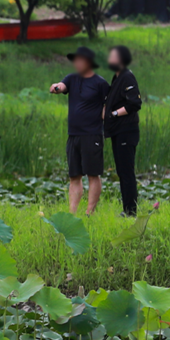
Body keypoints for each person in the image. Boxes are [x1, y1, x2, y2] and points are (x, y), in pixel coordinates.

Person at [50, 46, 110, 216]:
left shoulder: (101, 83)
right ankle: (72, 213)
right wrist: (56, 87)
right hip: (73, 135)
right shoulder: (71, 79)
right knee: (74, 176)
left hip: (92, 134)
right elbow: (61, 86)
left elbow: (108, 107)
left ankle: (89, 213)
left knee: (93, 174)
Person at [104, 45, 143, 216]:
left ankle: (130, 211)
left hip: (127, 131)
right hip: (117, 132)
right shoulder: (116, 78)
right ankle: (127, 209)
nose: (109, 60)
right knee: (121, 171)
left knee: (126, 172)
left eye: (112, 57)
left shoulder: (127, 77)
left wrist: (113, 114)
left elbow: (134, 103)